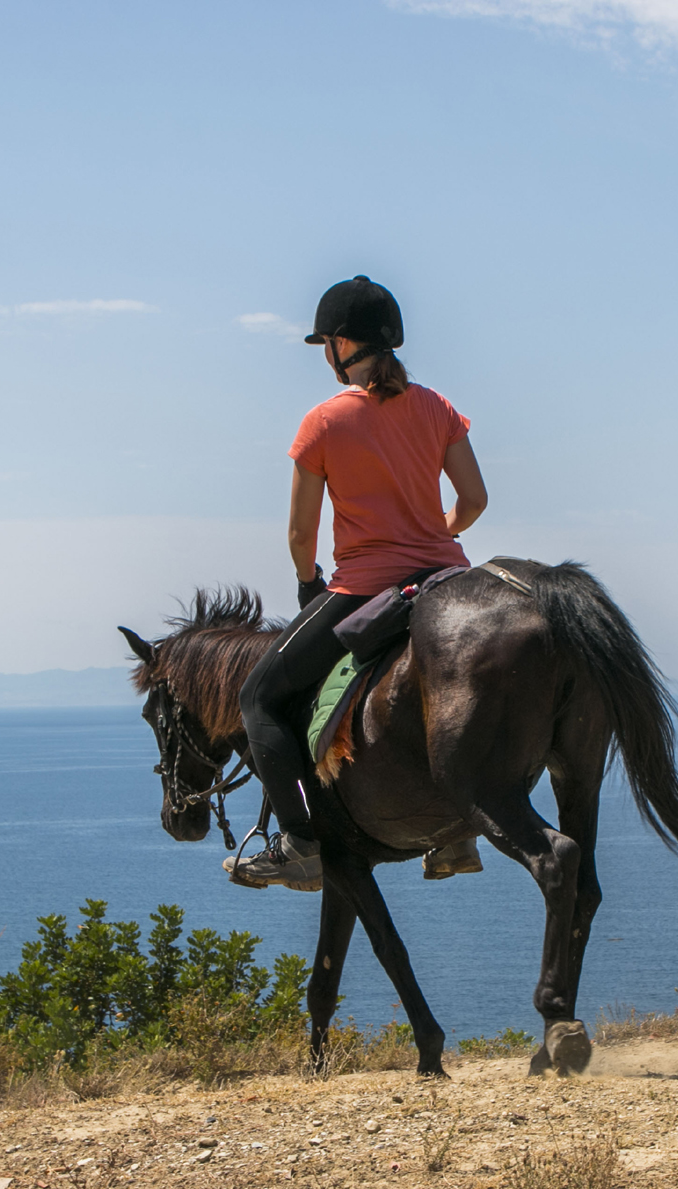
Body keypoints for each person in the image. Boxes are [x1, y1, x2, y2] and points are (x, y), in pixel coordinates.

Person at [228, 275, 488, 890]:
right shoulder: (437, 407)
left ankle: (299, 844)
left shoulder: (322, 422)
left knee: (258, 698)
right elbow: (474, 500)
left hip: (368, 585)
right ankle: (457, 833)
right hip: (447, 576)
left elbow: (299, 537)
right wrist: (433, 534)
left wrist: (307, 583)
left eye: (327, 342)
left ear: (340, 345)